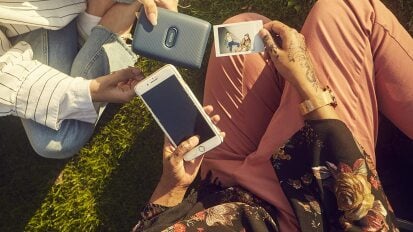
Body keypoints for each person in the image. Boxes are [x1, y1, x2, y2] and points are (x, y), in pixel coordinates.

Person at [132, 0, 412, 231]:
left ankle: (282, 102)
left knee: (239, 32)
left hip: (218, 195)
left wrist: (172, 185)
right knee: (344, 11)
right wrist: (308, 85)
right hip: (302, 206)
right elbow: (367, 220)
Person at [0, 0, 178, 159]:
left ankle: (111, 16)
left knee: (57, 138)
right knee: (55, 140)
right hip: (18, 20)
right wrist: (90, 90)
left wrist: (87, 91)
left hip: (32, 10)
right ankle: (102, 20)